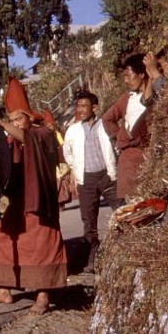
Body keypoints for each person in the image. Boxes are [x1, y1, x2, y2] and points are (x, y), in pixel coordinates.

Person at [0, 78, 67, 315]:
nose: (15, 124)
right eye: (11, 120)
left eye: (18, 118)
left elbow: (26, 137)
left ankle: (43, 296)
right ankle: (4, 290)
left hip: (41, 203)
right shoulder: (12, 141)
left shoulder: (43, 134)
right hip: (18, 204)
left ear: (30, 117)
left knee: (43, 248)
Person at [62, 91, 118, 274]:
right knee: (89, 222)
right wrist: (77, 170)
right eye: (78, 106)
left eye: (84, 106)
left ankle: (126, 253)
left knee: (122, 211)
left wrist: (114, 169)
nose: (80, 110)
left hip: (108, 176)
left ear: (94, 108)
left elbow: (116, 147)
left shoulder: (106, 125)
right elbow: (67, 153)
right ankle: (93, 259)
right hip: (86, 180)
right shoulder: (73, 130)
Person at [102, 53, 156, 202]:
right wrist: (120, 136)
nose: (126, 80)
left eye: (128, 75)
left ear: (141, 74)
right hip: (129, 160)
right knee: (134, 207)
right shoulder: (127, 99)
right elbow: (107, 119)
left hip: (150, 157)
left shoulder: (156, 95)